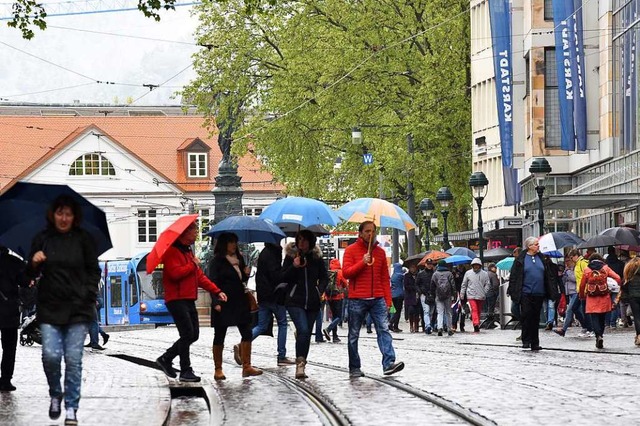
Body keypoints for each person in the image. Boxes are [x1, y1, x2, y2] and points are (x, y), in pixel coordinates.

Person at [27, 195, 101, 424]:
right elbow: (27, 277)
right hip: (50, 308)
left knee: (73, 359)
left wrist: (87, 294)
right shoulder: (43, 239)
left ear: (74, 216)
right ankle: (55, 394)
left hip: (78, 310)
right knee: (50, 355)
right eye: (60, 213)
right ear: (53, 214)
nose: (64, 218)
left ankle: (71, 406)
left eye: (68, 214)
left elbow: (94, 271)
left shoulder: (84, 240)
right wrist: (34, 263)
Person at [156, 221, 227, 383]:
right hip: (176, 299)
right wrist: (192, 264)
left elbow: (200, 277)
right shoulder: (172, 252)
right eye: (194, 231)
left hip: (188, 298)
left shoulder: (187, 252)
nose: (196, 234)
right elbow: (175, 273)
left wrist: (217, 291)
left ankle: (166, 358)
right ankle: (185, 370)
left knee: (193, 334)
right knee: (187, 334)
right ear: (184, 233)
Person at [342, 221, 404, 378]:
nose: (371, 234)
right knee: (354, 334)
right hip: (357, 299)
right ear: (360, 233)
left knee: (383, 329)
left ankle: (388, 363)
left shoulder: (381, 253)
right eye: (367, 231)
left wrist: (388, 301)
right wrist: (362, 262)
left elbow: (384, 278)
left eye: (373, 231)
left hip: (377, 298)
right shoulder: (350, 251)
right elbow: (347, 273)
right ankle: (354, 367)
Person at [207, 232, 262, 380]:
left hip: (239, 301)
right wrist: (216, 301)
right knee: (220, 334)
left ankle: (247, 366)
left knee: (247, 332)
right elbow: (212, 283)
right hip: (224, 301)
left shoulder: (239, 259)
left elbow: (241, 280)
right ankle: (218, 369)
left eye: (235, 242)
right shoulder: (217, 261)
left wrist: (246, 274)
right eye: (231, 242)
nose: (233, 245)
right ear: (224, 244)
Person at [282, 230, 329, 379]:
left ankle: (302, 361)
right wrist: (294, 266)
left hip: (313, 302)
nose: (301, 242)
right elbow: (283, 277)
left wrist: (319, 290)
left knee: (306, 333)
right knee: (302, 330)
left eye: (305, 240)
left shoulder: (316, 258)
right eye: (299, 239)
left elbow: (324, 277)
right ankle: (300, 365)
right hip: (295, 300)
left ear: (310, 242)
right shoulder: (291, 257)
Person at [508, 237, 558, 351]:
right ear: (529, 246)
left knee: (536, 318)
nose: (538, 246)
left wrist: (552, 290)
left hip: (539, 292)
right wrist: (513, 291)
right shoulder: (521, 259)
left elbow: (549, 275)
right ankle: (526, 340)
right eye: (536, 244)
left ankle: (535, 342)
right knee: (526, 315)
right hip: (525, 292)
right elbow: (514, 276)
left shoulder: (542, 258)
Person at [250, 242, 295, 366]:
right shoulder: (273, 253)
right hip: (274, 295)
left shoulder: (264, 252)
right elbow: (276, 276)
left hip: (263, 295)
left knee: (261, 326)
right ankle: (281, 356)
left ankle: (243, 343)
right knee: (282, 323)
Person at [0, 246, 29, 392]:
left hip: (8, 310)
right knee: (9, 348)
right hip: (9, 311)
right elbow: (25, 282)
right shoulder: (14, 262)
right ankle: (5, 380)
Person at [579, 253, 620, 349]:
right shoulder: (605, 268)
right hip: (604, 297)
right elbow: (617, 277)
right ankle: (601, 335)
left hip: (591, 298)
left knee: (594, 318)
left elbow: (582, 285)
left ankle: (598, 335)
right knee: (602, 318)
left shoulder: (587, 270)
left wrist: (582, 296)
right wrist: (613, 288)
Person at [554, 258, 586, 337]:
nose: (567, 263)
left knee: (569, 310)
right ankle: (586, 326)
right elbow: (564, 281)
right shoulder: (567, 270)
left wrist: (568, 273)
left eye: (568, 261)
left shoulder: (574, 269)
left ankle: (563, 330)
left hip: (575, 291)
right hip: (570, 292)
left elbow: (576, 279)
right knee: (577, 311)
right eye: (566, 261)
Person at [460, 257, 490, 333]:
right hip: (471, 295)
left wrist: (484, 291)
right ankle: (476, 324)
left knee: (478, 310)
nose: (476, 266)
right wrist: (462, 293)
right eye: (474, 265)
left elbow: (488, 284)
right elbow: (464, 284)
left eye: (477, 265)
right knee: (474, 309)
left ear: (480, 265)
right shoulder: (468, 273)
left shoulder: (485, 274)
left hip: (481, 295)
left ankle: (476, 322)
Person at [323, 258, 348, 342]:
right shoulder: (340, 272)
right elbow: (345, 284)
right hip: (338, 296)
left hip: (329, 297)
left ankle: (335, 336)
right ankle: (328, 329)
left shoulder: (329, 272)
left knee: (334, 316)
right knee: (339, 317)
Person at [571, 248, 594, 337]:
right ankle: (585, 326)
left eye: (572, 257)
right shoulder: (577, 264)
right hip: (579, 290)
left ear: (576, 256)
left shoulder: (583, 263)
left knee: (585, 310)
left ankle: (590, 329)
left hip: (584, 290)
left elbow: (588, 275)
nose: (571, 259)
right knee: (575, 308)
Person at [431, 259, 456, 336]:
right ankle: (449, 328)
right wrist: (454, 294)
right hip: (448, 295)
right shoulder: (449, 274)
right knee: (448, 312)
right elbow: (453, 285)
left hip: (438, 295)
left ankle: (439, 327)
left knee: (440, 312)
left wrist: (433, 294)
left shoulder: (435, 274)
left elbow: (432, 285)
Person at [621, 257, 640, 346]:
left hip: (633, 297)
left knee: (637, 317)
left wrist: (628, 294)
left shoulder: (629, 273)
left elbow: (624, 285)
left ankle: (639, 335)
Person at [416, 259, 436, 334]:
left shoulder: (434, 273)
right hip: (424, 295)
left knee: (431, 312)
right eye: (428, 264)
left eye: (431, 264)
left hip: (433, 294)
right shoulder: (421, 274)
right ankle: (428, 326)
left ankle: (429, 325)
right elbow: (417, 284)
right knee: (426, 311)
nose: (429, 265)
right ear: (425, 264)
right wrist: (420, 292)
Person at [403, 263, 420, 332]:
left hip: (417, 296)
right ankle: (411, 326)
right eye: (411, 267)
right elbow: (406, 286)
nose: (413, 269)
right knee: (411, 311)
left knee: (417, 312)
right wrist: (414, 287)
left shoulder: (418, 275)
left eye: (414, 267)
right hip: (409, 296)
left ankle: (416, 326)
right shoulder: (406, 276)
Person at [389, 263, 405, 333]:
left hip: (393, 295)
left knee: (395, 310)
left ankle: (394, 326)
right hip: (399, 295)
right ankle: (392, 324)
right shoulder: (400, 275)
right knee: (398, 311)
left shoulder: (393, 275)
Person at [485, 263, 500, 327]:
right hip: (492, 294)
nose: (496, 269)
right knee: (491, 308)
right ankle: (490, 322)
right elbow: (495, 285)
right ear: (491, 268)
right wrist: (496, 293)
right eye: (495, 267)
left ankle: (488, 321)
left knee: (488, 308)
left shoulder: (485, 274)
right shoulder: (493, 275)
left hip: (485, 293)